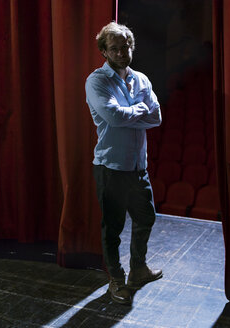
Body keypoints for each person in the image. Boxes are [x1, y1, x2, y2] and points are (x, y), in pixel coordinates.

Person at [85, 22, 163, 305]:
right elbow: (114, 118)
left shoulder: (141, 79)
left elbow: (156, 119)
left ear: (132, 47)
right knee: (113, 228)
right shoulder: (97, 81)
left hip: (137, 167)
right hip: (110, 168)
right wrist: (139, 109)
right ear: (104, 51)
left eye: (125, 46)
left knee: (146, 218)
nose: (121, 52)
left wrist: (128, 113)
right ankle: (116, 280)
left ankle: (138, 270)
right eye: (114, 48)